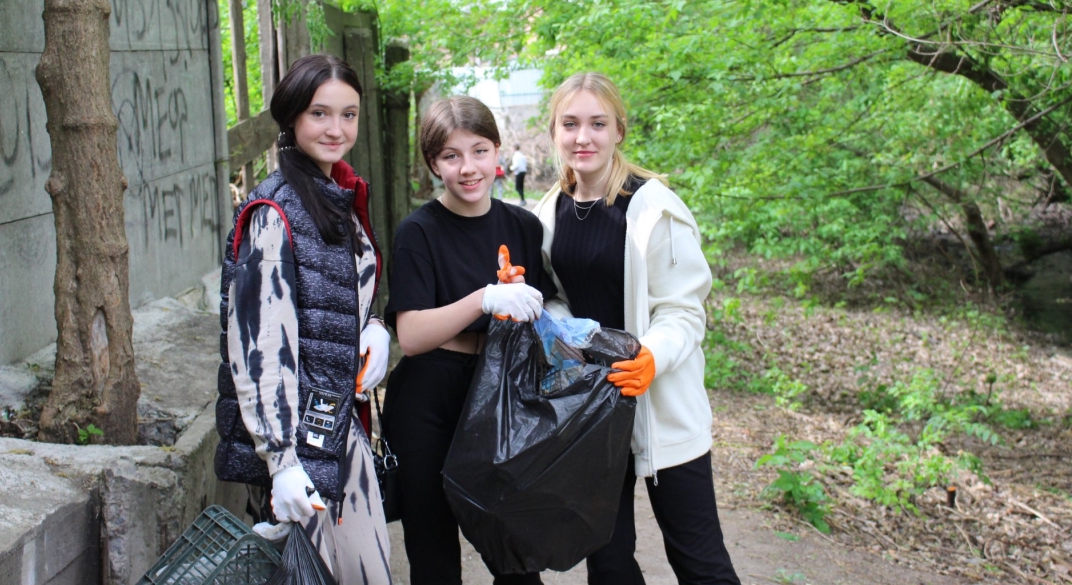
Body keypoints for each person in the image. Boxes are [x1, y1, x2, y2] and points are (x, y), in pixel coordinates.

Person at [534, 72, 741, 585]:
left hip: (661, 404)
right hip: (592, 413)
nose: (583, 137)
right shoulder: (549, 211)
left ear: (619, 130)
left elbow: (684, 310)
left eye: (597, 124)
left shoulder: (654, 209)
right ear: (554, 132)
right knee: (607, 563)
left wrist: (649, 357)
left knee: (698, 561)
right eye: (571, 124)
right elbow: (556, 296)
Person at [214, 54, 392, 583]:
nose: (337, 129)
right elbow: (258, 347)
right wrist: (281, 461)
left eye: (349, 114)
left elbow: (338, 296)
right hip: (297, 445)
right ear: (293, 117)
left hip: (338, 428)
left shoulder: (335, 195)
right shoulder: (274, 210)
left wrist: (374, 328)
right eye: (320, 113)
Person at [381, 96, 557, 585]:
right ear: (433, 164)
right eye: (451, 156)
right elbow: (412, 335)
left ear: (497, 150)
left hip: (499, 392)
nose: (468, 168)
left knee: (515, 552)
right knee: (433, 552)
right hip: (429, 399)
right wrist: (483, 299)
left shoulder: (523, 226)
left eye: (479, 151)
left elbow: (545, 313)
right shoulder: (418, 232)